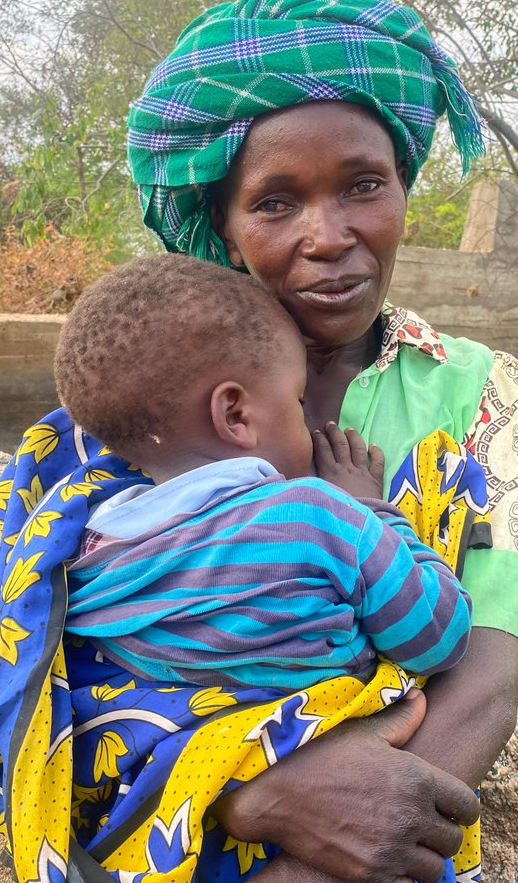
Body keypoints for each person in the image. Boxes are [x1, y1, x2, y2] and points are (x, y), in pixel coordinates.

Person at [0, 0, 518, 883]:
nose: (328, 234)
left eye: (363, 182)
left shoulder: (485, 397)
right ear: (222, 225)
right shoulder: (138, 397)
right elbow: (40, 672)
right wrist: (248, 790)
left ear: (406, 188)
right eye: (276, 202)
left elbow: (481, 682)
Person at [56, 252, 477, 694]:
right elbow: (438, 640)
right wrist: (371, 510)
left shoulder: (91, 549)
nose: (311, 424)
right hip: (321, 739)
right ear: (235, 415)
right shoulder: (317, 517)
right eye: (298, 402)